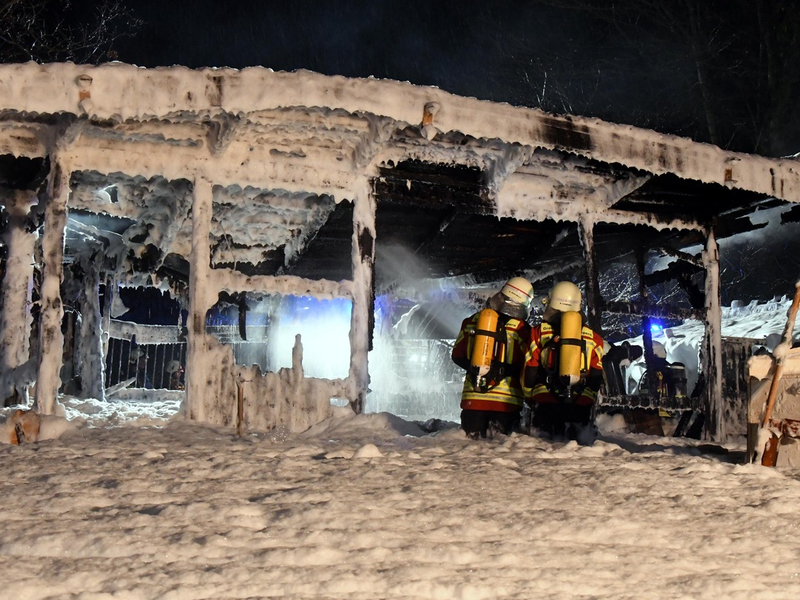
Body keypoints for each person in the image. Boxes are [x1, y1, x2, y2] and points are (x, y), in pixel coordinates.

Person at [523, 281, 604, 445]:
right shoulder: (594, 338)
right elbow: (596, 377)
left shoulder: (539, 333)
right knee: (578, 451)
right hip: (580, 405)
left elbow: (530, 370)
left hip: (545, 403)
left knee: (542, 450)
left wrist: (529, 395)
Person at [451, 277, 533, 439]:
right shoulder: (523, 330)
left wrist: (477, 368)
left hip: (473, 402)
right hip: (506, 404)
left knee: (469, 450)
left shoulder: (471, 321)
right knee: (500, 455)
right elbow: (527, 366)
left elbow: (457, 356)